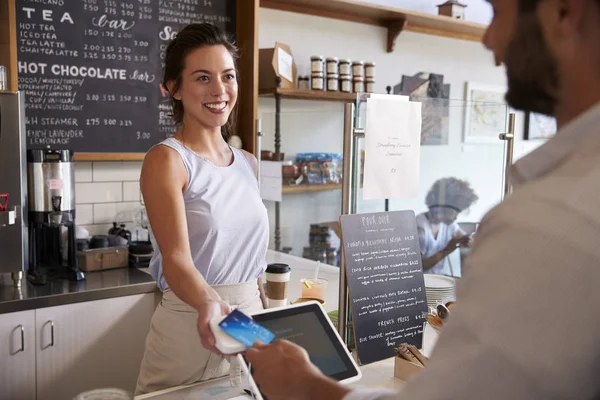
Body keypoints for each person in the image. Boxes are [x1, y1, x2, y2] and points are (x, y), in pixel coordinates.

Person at [245, 0, 600, 398]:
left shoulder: (551, 219)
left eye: (498, 13)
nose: (489, 38)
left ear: (564, 12)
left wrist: (306, 386)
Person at [135, 23, 269, 395]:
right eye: (202, 78)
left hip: (247, 320)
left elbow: (251, 260)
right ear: (174, 88)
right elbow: (177, 260)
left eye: (227, 77)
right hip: (192, 323)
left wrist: (270, 312)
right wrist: (213, 306)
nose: (219, 90)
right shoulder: (167, 160)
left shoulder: (248, 162)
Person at [416, 177, 478, 276]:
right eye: (455, 211)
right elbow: (418, 267)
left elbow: (465, 237)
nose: (456, 217)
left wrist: (469, 240)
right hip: (421, 284)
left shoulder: (448, 224)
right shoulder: (420, 228)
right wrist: (447, 250)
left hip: (437, 279)